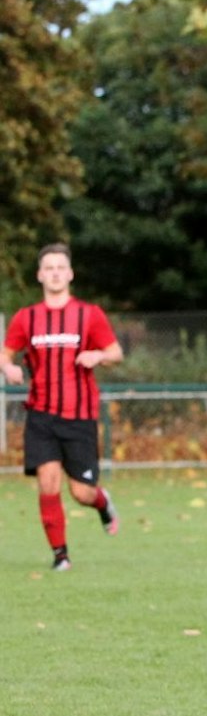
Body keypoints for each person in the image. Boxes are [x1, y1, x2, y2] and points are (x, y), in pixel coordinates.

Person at [2, 244, 122, 570]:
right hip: (41, 414)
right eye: (49, 268)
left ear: (70, 274)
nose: (55, 273)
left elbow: (115, 352)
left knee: (81, 492)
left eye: (60, 268)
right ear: (40, 275)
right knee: (48, 481)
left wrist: (98, 355)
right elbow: (6, 352)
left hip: (79, 417)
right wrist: (7, 367)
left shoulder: (89, 314)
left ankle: (102, 502)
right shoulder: (26, 318)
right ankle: (61, 556)